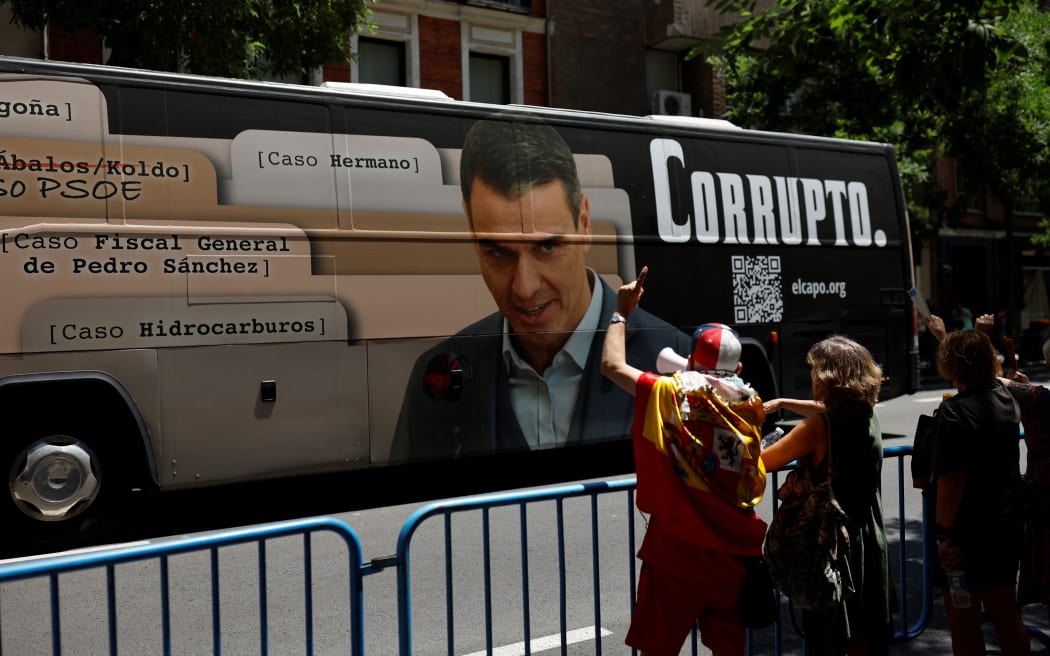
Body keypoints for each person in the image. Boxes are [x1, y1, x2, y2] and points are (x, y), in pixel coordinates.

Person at [390, 115, 688, 462]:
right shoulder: (434, 379)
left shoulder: (672, 358)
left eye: (546, 248)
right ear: (470, 233)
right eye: (498, 252)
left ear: (584, 223)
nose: (525, 288)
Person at [601, 267, 768, 656]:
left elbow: (611, 366)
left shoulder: (668, 394)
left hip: (676, 552)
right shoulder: (751, 407)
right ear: (739, 370)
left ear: (691, 361)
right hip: (734, 554)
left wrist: (621, 312)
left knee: (658, 647)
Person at [761, 336, 894, 656]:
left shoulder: (818, 428)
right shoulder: (866, 413)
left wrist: (753, 430)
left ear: (826, 377)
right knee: (864, 634)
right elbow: (827, 409)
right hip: (865, 537)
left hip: (829, 544)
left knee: (827, 638)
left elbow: (764, 462)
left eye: (814, 369)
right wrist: (782, 403)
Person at [927, 312, 1050, 629]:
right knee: (1007, 616)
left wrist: (943, 536)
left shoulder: (954, 412)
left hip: (969, 531)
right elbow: (991, 378)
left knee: (964, 621)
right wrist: (970, 341)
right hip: (1006, 522)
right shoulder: (1009, 401)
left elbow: (951, 481)